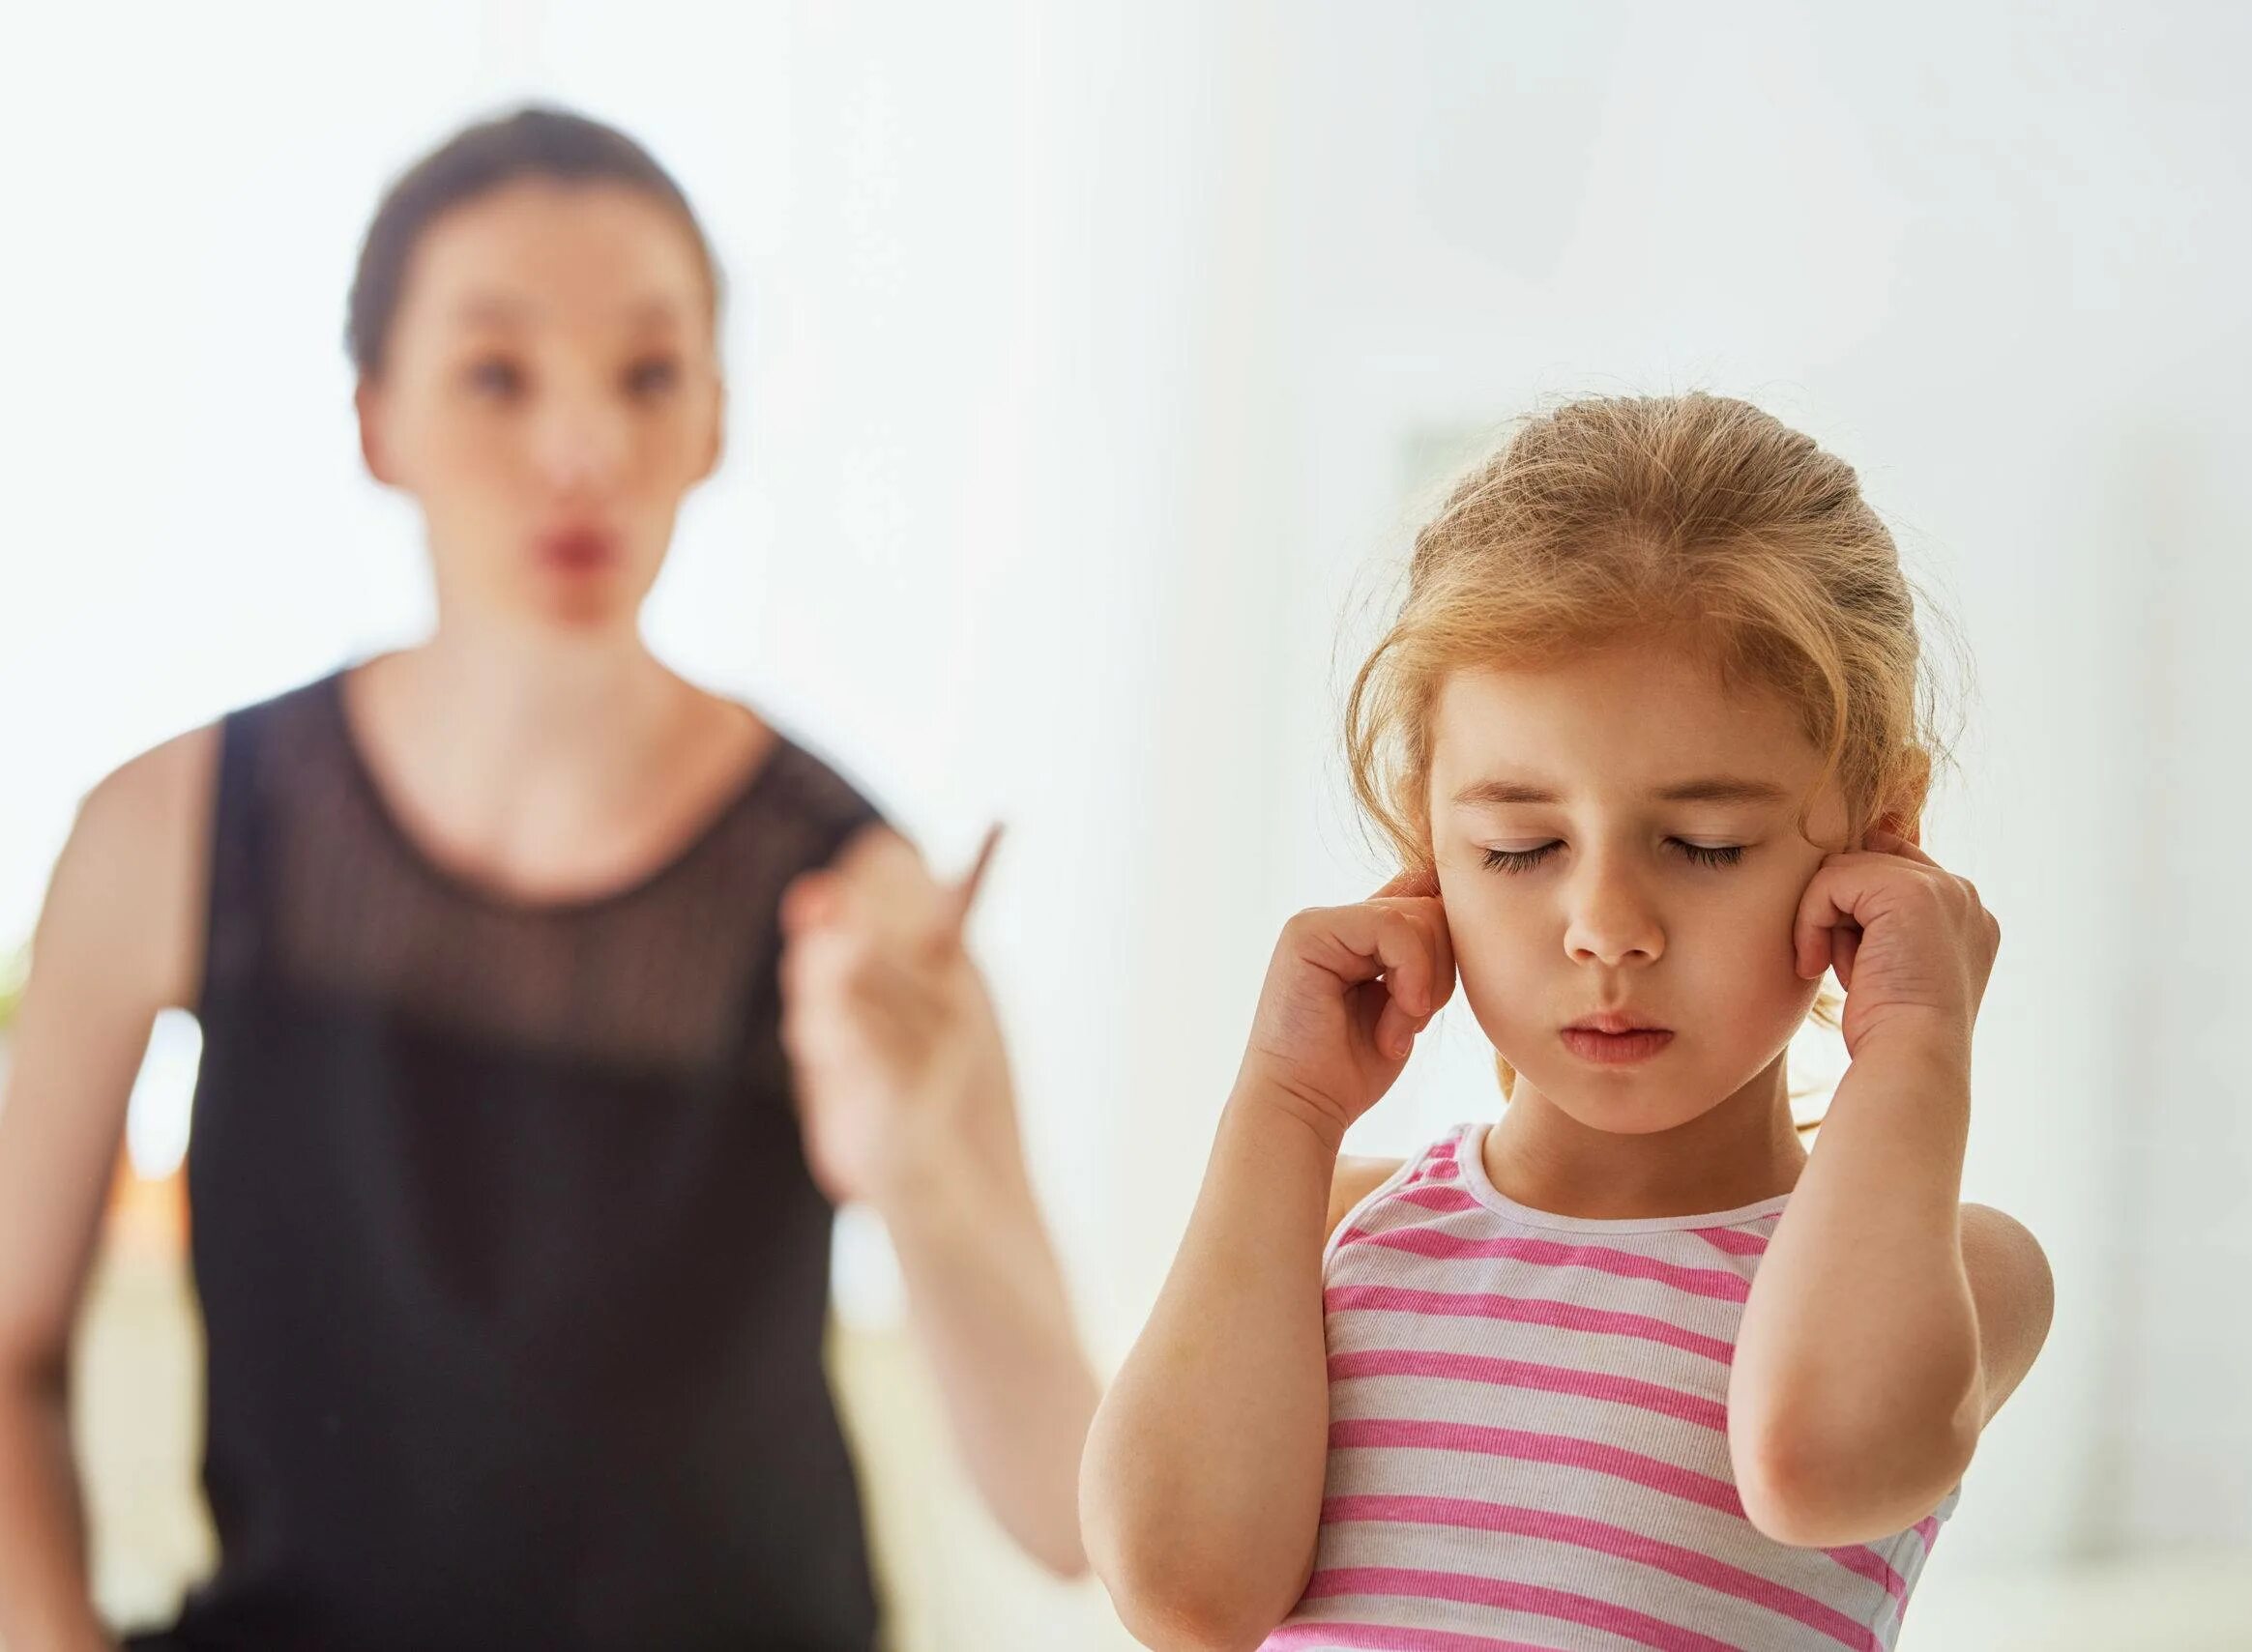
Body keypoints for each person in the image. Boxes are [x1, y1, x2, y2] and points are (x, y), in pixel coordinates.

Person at [0, 105, 1094, 1652]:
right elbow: (6, 1348)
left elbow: (1064, 1506)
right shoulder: (166, 829)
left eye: (648, 376)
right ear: (375, 419)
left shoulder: (855, 890)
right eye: (498, 375)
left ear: (715, 418)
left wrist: (913, 1163)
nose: (582, 449)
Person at [1082, 393, 2054, 1649]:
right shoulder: (1333, 1231)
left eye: (1704, 846)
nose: (1605, 924)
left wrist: (1918, 1031)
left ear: (1882, 839)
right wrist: (1284, 1104)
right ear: (1424, 842)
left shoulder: (1962, 1272)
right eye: (1521, 845)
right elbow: (1184, 1592)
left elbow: (1816, 1463)